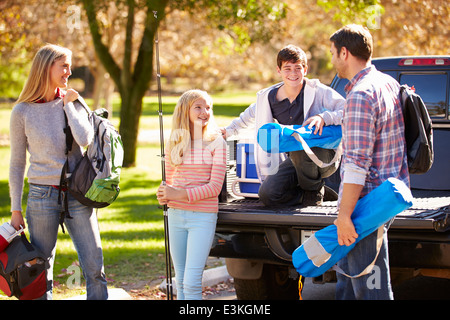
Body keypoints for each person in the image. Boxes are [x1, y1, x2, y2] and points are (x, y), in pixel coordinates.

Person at [9, 44, 108, 300]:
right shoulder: (22, 112)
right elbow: (17, 162)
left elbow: (85, 139)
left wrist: (67, 105)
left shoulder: (72, 100)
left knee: (94, 267)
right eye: (64, 65)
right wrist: (15, 209)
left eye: (69, 65)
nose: (69, 71)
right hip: (42, 197)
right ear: (46, 67)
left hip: (77, 194)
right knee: (41, 269)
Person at [329, 25, 409, 300]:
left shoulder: (361, 95)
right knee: (348, 285)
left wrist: (344, 216)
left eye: (333, 53)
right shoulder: (387, 83)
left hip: (364, 205)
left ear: (344, 52)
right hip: (384, 197)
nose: (332, 60)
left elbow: (356, 163)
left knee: (370, 290)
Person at [221, 44, 345, 206]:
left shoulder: (319, 92)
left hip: (325, 157)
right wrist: (226, 131)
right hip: (296, 158)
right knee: (268, 194)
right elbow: (246, 118)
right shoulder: (268, 98)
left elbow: (348, 110)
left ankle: (313, 192)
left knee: (300, 145)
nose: (293, 73)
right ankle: (312, 195)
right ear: (278, 71)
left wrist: (324, 117)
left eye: (297, 68)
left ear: (305, 70)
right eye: (287, 68)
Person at [157, 89, 227, 300]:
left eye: (208, 107)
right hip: (176, 216)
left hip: (202, 217)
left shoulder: (217, 143)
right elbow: (168, 181)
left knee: (192, 280)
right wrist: (163, 193)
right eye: (198, 107)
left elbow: (214, 188)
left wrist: (177, 193)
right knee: (180, 281)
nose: (205, 112)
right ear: (184, 110)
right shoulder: (174, 142)